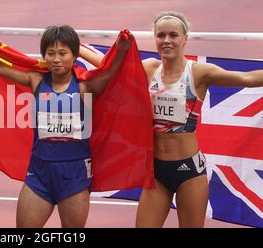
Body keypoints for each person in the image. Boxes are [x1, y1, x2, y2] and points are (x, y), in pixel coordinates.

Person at [79, 10, 263, 227]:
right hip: (155, 171)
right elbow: (109, 65)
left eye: (173, 35)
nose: (166, 40)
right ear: (155, 38)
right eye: (161, 35)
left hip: (190, 172)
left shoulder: (199, 73)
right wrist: (77, 48)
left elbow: (248, 78)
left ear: (185, 38)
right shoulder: (149, 68)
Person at [0, 24, 133, 227]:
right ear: (44, 56)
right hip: (39, 174)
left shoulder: (85, 86)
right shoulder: (36, 80)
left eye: (63, 53)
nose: (56, 59)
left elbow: (111, 74)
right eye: (51, 53)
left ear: (75, 56)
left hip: (74, 176)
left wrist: (122, 50)